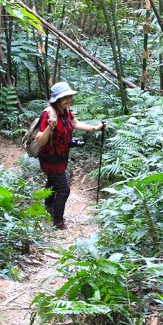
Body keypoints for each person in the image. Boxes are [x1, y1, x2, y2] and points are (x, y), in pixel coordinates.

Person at [35, 82, 106, 230]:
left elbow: (74, 123)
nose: (68, 100)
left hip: (61, 156)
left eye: (70, 96)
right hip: (50, 158)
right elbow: (41, 141)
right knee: (64, 190)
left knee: (53, 182)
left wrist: (94, 128)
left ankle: (48, 205)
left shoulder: (65, 111)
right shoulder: (48, 114)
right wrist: (50, 127)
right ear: (57, 99)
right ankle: (58, 222)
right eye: (65, 97)